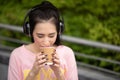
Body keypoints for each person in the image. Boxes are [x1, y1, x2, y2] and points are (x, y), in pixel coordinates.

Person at [8, 1, 78, 80]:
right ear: (30, 31)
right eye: (40, 36)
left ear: (59, 31)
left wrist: (58, 72)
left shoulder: (67, 53)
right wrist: (33, 73)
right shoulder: (17, 55)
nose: (46, 42)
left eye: (51, 36)